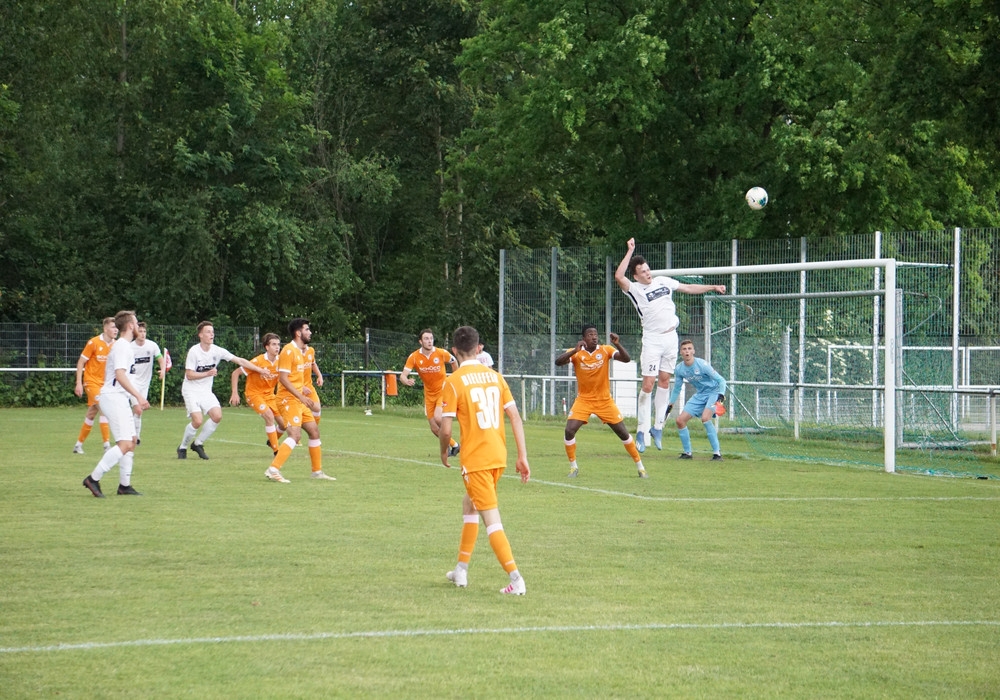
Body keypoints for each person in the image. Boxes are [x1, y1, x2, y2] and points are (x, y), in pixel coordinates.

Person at [439, 325, 530, 595]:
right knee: (469, 505)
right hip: (497, 456)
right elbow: (514, 416)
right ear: (478, 348)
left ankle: (516, 579)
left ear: (454, 351)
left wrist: (444, 451)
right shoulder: (495, 377)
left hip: (476, 460)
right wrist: (522, 456)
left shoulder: (453, 381)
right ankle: (461, 570)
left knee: (492, 519)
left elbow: (445, 429)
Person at [615, 237, 725, 453]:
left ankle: (657, 428)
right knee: (648, 384)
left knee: (665, 381)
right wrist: (630, 251)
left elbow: (687, 287)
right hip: (653, 339)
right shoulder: (634, 289)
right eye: (643, 272)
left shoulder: (663, 281)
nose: (647, 273)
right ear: (636, 275)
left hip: (670, 338)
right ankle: (641, 430)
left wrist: (711, 287)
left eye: (648, 270)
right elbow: (619, 276)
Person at [555, 325, 647, 478]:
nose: (594, 337)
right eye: (590, 334)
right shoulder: (577, 352)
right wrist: (574, 351)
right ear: (584, 338)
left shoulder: (605, 350)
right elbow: (558, 362)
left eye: (595, 334)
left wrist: (617, 343)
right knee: (569, 430)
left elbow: (626, 359)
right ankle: (573, 468)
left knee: (623, 433)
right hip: (584, 400)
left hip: (604, 400)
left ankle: (640, 467)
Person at [177, 321, 273, 460]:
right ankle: (183, 447)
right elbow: (189, 375)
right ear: (200, 335)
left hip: (205, 391)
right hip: (190, 390)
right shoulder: (194, 351)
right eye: (208, 332)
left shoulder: (217, 350)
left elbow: (240, 361)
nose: (211, 334)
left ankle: (198, 444)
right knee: (197, 421)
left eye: (213, 331)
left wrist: (259, 370)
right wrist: (207, 373)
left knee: (217, 416)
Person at [81, 311, 150, 497]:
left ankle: (124, 486)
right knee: (125, 443)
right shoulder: (122, 347)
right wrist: (139, 397)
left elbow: (128, 377)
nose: (138, 327)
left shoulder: (126, 346)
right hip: (112, 397)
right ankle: (93, 479)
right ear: (129, 326)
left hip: (120, 398)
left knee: (132, 441)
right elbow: (119, 376)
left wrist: (135, 401)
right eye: (135, 323)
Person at [264, 318, 336, 482]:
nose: (310, 332)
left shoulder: (303, 351)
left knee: (314, 431)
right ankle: (273, 469)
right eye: (307, 329)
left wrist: (303, 390)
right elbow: (283, 379)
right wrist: (301, 395)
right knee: (295, 435)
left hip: (298, 399)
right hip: (288, 399)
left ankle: (316, 472)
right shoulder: (288, 351)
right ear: (298, 333)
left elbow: (297, 376)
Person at [400, 329, 460, 456]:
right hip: (429, 394)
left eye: (431, 338)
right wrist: (406, 381)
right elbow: (403, 376)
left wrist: (455, 378)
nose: (429, 341)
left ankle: (448, 445)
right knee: (434, 428)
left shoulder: (440, 353)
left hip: (443, 390)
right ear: (420, 341)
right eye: (426, 339)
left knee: (438, 418)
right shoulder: (414, 357)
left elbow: (454, 361)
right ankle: (455, 445)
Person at [667, 339, 728, 461]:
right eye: (684, 349)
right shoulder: (679, 369)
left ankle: (717, 454)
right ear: (681, 353)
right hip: (700, 395)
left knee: (705, 418)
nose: (687, 351)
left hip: (713, 392)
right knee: (680, 421)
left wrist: (720, 397)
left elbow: (722, 381)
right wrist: (670, 404)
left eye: (689, 349)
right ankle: (687, 453)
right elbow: (677, 388)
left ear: (693, 351)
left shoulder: (702, 365)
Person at [230, 332, 286, 454]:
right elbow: (235, 373)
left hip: (270, 396)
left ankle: (272, 441)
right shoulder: (258, 361)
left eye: (278, 344)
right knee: (269, 416)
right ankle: (276, 450)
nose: (277, 347)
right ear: (267, 347)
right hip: (254, 394)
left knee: (284, 424)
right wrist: (235, 393)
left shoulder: (281, 361)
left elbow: (287, 378)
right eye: (274, 344)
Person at [72, 317, 118, 454]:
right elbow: (81, 362)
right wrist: (79, 383)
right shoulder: (94, 342)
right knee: (104, 408)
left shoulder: (116, 345)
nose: (116, 330)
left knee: (92, 413)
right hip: (91, 382)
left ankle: (78, 445)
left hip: (105, 384)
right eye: (113, 327)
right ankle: (107, 446)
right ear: (105, 328)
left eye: (117, 327)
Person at [129, 321, 166, 444]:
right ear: (135, 333)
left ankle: (131, 433)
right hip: (132, 383)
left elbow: (161, 359)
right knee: (138, 409)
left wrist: (162, 370)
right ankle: (136, 437)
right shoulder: (130, 347)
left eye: (144, 331)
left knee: (139, 411)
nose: (143, 334)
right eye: (140, 331)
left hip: (145, 384)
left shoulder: (152, 346)